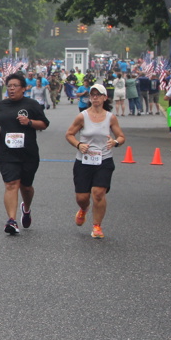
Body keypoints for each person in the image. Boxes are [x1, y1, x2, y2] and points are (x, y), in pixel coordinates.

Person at [0, 73, 50, 235]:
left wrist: (29, 122)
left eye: (15, 86)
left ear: (23, 88)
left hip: (28, 153)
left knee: (26, 187)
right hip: (7, 153)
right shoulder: (1, 105)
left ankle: (26, 208)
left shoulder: (32, 105)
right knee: (11, 184)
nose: (11, 89)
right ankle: (11, 220)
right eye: (9, 86)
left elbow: (44, 124)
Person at [65, 83, 125, 239]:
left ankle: (97, 226)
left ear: (105, 98)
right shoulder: (82, 116)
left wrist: (115, 142)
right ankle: (84, 209)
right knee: (82, 197)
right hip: (84, 160)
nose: (95, 97)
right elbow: (69, 134)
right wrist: (79, 144)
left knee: (98, 193)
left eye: (98, 95)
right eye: (93, 95)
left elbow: (121, 137)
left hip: (104, 160)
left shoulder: (110, 117)